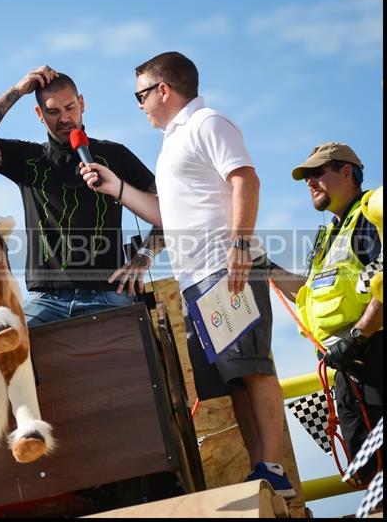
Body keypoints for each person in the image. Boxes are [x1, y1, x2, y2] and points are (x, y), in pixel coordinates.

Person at [81, 51, 294, 497]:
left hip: (225, 268)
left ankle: (273, 468)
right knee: (233, 379)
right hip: (196, 279)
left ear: (163, 89)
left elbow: (246, 180)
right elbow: (165, 214)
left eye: (140, 94)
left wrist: (239, 245)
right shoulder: (172, 141)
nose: (138, 105)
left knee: (253, 370)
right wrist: (116, 186)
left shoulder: (207, 123)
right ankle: (263, 471)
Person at [0, 65, 161, 328]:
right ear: (39, 113)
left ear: (82, 103)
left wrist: (144, 256)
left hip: (109, 294)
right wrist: (17, 91)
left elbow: (170, 210)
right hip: (46, 300)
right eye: (53, 111)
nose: (64, 118)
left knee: (137, 359)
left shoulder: (116, 155)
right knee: (6, 348)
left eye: (70, 107)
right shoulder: (29, 159)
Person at [270, 142, 382, 483]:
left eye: (318, 173)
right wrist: (263, 267)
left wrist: (358, 335)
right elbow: (308, 293)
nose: (310, 182)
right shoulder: (331, 234)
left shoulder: (369, 216)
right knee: (368, 471)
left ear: (347, 172)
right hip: (348, 366)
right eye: (306, 177)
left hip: (374, 356)